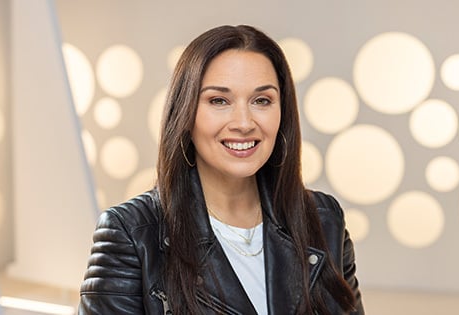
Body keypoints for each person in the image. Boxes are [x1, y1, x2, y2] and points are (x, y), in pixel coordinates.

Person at [79, 24, 364, 315]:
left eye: (262, 100)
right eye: (219, 100)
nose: (243, 122)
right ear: (185, 113)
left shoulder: (323, 219)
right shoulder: (130, 232)